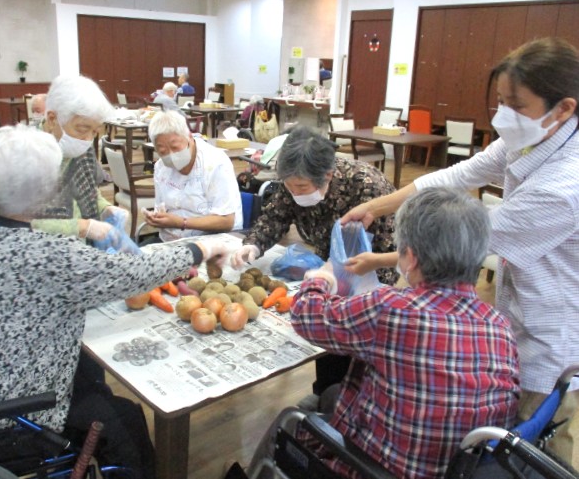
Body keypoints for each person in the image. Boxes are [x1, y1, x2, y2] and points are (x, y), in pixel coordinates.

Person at [0, 125, 229, 479]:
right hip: (0, 417)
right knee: (125, 418)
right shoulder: (49, 255)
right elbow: (135, 273)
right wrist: (202, 248)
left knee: (90, 377)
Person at [341, 37, 579, 468]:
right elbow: (458, 175)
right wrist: (377, 206)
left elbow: (461, 240)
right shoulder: (532, 137)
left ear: (562, 108)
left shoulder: (565, 186)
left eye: (517, 105)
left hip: (549, 330)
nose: (505, 115)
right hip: (513, 309)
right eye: (501, 101)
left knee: (515, 441)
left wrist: (378, 260)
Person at [237, 187, 520, 479]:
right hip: (456, 468)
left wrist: (319, 278)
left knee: (286, 422)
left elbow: (306, 316)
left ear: (408, 258)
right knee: (335, 392)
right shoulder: (499, 325)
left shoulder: (393, 310)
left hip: (374, 468)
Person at [231, 126, 398, 397]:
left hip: (367, 274)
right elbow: (276, 216)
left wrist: (355, 289)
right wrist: (254, 244)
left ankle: (350, 399)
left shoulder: (367, 188)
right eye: (288, 186)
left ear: (327, 176)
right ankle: (324, 394)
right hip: (327, 263)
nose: (293, 192)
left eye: (301, 187)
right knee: (325, 334)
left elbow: (385, 258)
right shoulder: (294, 180)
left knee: (351, 340)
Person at [31, 75, 122, 240]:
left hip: (76, 249)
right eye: (82, 129)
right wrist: (82, 227)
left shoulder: (79, 148)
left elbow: (87, 188)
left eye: (95, 131)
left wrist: (105, 208)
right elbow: (24, 220)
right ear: (52, 119)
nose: (88, 139)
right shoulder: (23, 156)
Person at [142, 110, 243, 242]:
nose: (171, 155)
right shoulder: (161, 167)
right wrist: (156, 218)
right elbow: (162, 207)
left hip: (213, 241)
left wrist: (181, 223)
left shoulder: (215, 163)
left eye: (175, 147)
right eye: (163, 151)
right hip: (172, 240)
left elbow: (226, 221)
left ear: (189, 136)